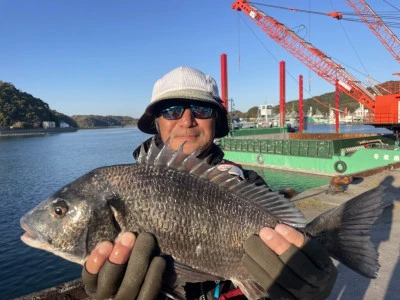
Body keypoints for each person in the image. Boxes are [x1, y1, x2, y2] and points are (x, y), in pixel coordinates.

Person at [81, 66, 338, 299]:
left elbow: (278, 248)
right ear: (157, 123)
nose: (186, 120)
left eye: (201, 110)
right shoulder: (127, 189)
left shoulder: (248, 184)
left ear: (216, 121)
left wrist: (304, 285)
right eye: (171, 110)